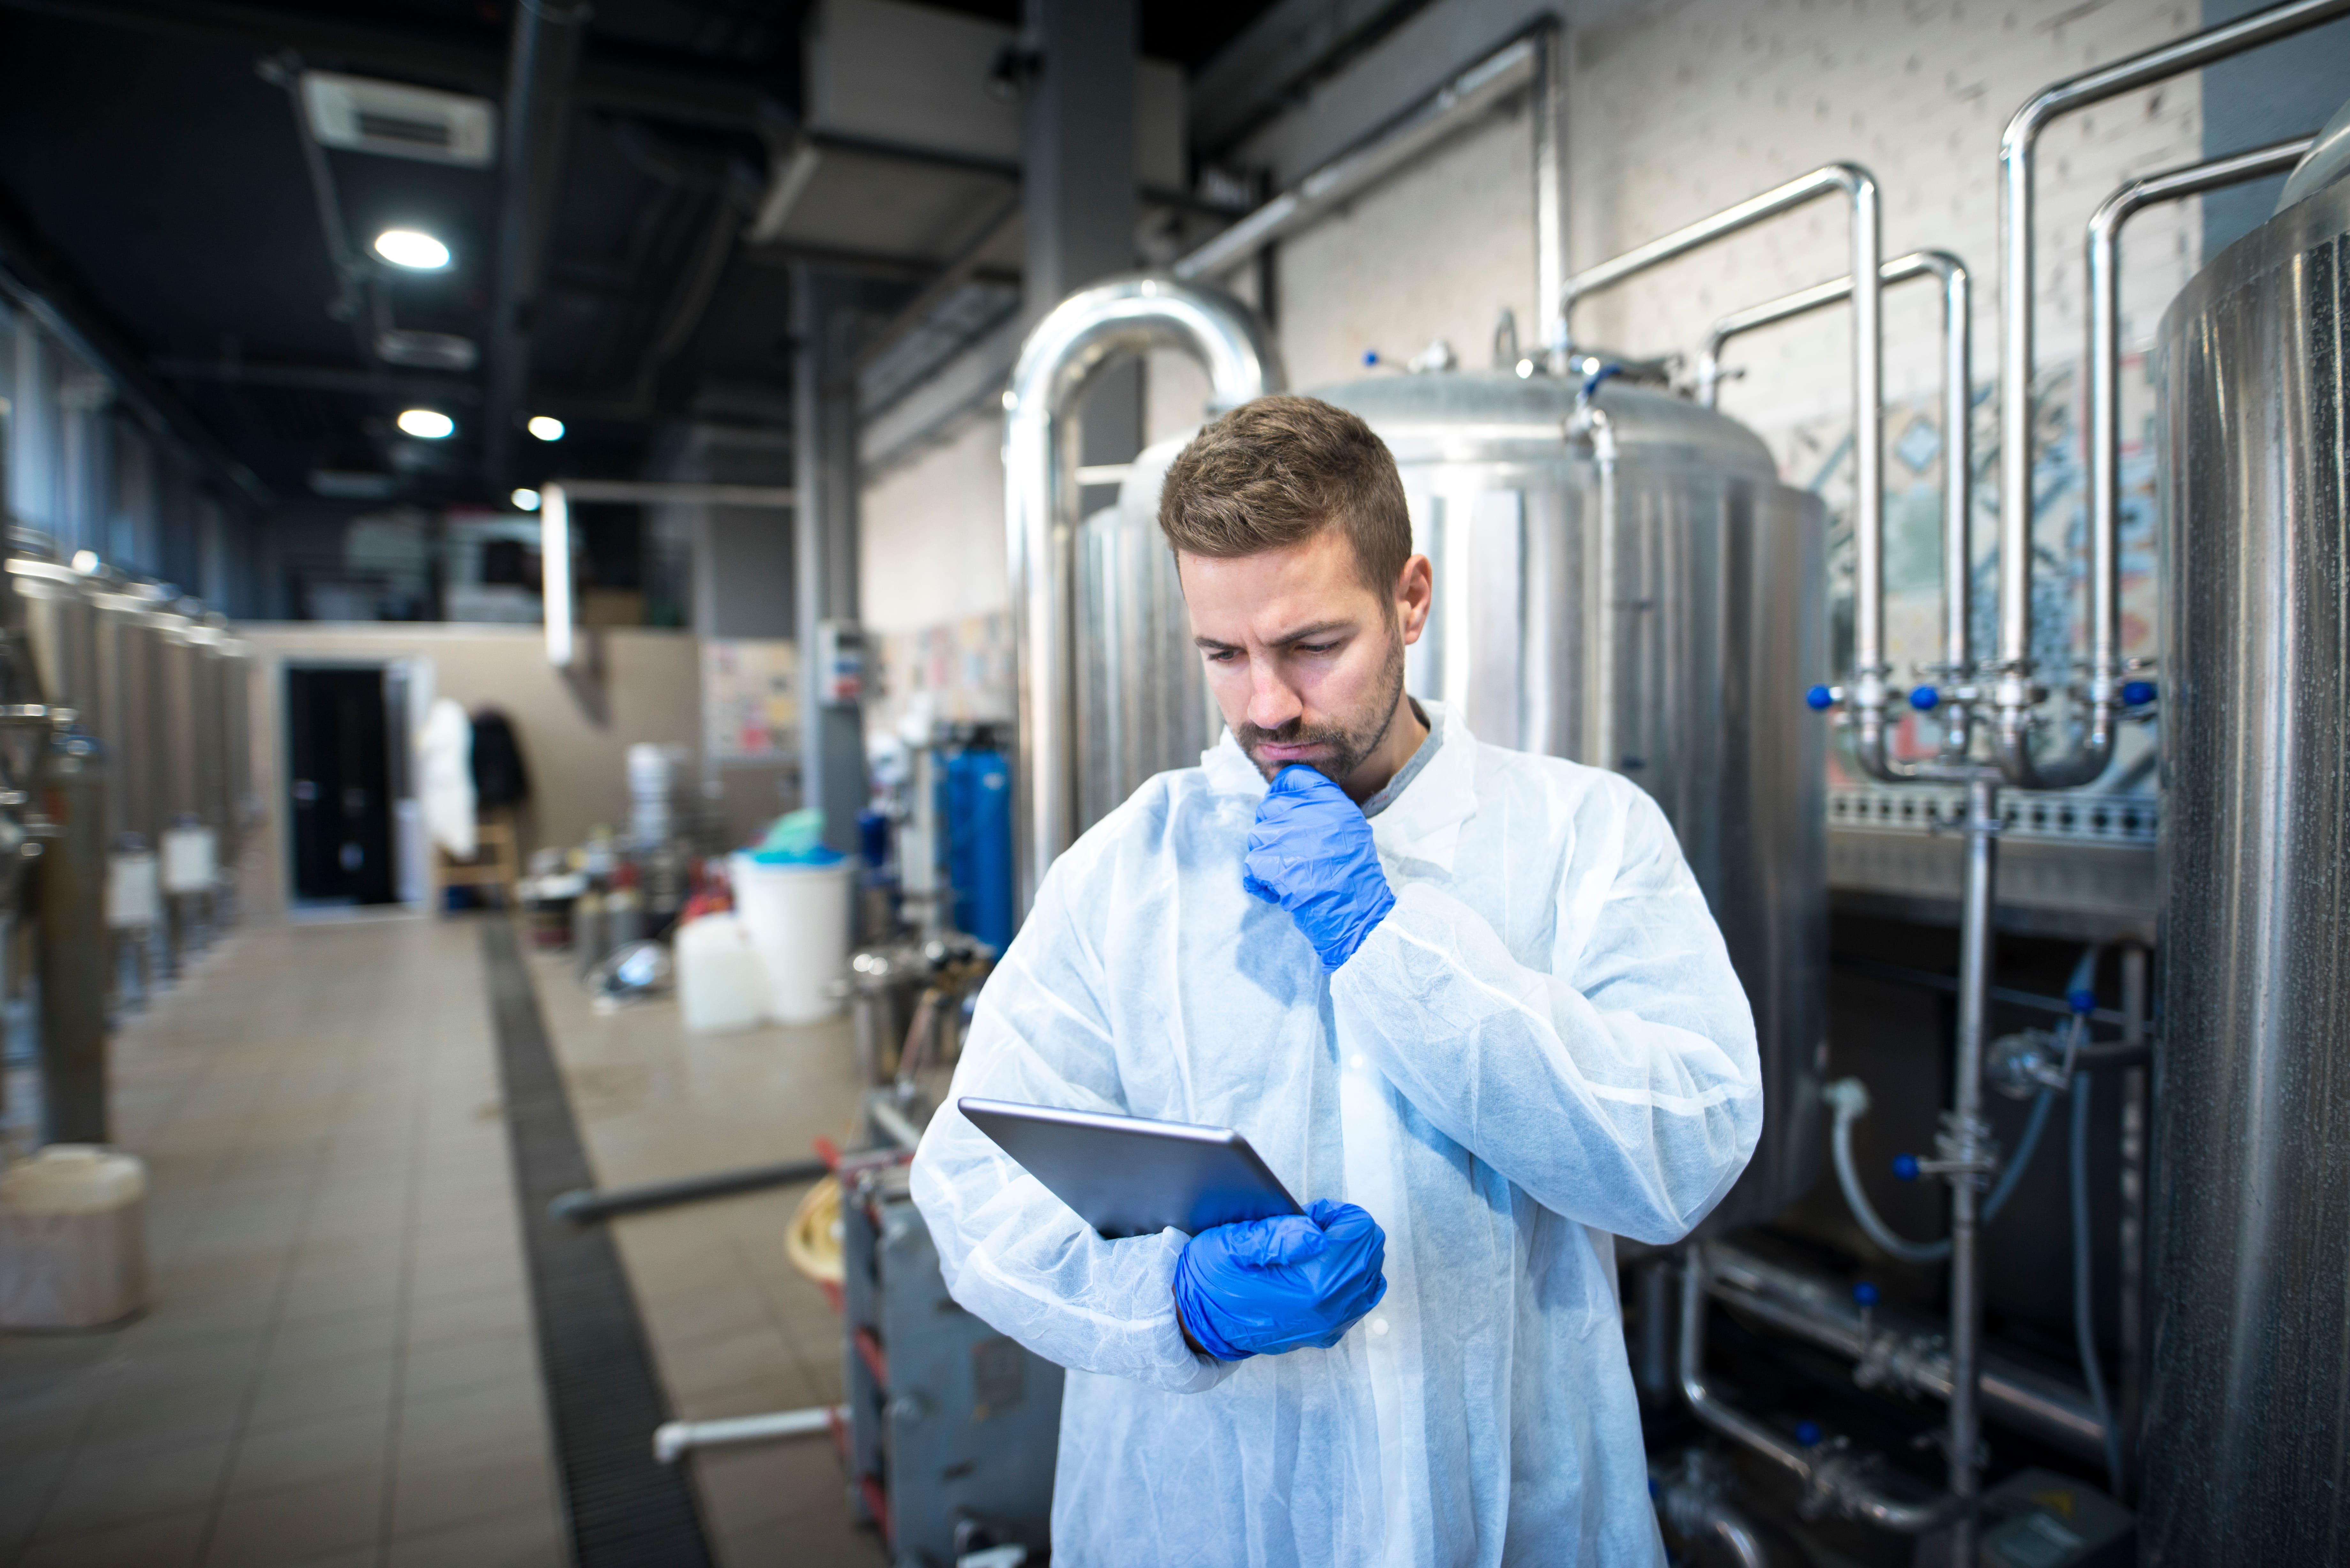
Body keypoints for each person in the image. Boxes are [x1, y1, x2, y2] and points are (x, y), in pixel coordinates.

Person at [910, 394, 1762, 1566]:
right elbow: (973, 1183)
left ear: (1410, 597)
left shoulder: (1582, 836)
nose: (1267, 706)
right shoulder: (1125, 873)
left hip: (1509, 1515)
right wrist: (1176, 1303)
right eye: (1224, 654)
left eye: (1313, 646)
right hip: (1197, 1518)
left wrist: (1387, 940)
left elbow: (1686, 1150)